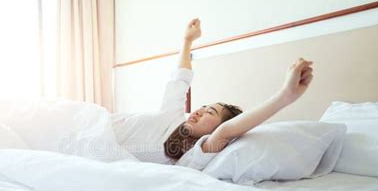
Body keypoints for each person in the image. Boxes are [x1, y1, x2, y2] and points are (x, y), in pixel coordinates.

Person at [111, 18, 313, 170]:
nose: (200, 110)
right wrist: (187, 40)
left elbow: (227, 131)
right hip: (93, 123)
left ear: (217, 127)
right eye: (204, 106)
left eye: (211, 112)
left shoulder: (191, 156)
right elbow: (181, 78)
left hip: (93, 148)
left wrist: (285, 95)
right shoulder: (172, 115)